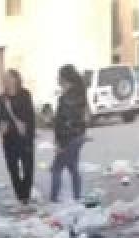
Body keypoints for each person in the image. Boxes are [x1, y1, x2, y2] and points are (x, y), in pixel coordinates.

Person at [0, 69, 36, 208]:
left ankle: (26, 195)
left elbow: (29, 116)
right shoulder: (1, 98)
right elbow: (0, 117)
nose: (5, 81)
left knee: (28, 168)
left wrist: (28, 134)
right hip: (9, 139)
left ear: (15, 79)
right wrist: (1, 126)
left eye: (7, 78)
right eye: (3, 79)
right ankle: (20, 196)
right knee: (12, 168)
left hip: (24, 138)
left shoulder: (25, 94)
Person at [51, 64, 89, 203]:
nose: (57, 79)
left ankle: (54, 199)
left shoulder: (65, 98)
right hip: (79, 136)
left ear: (64, 78)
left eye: (59, 77)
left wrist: (60, 143)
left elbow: (64, 122)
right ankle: (77, 197)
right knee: (73, 167)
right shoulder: (81, 94)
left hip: (68, 138)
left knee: (56, 168)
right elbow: (83, 117)